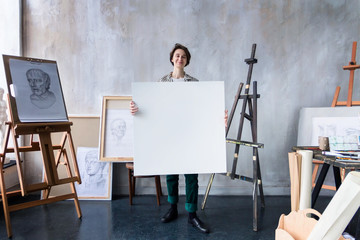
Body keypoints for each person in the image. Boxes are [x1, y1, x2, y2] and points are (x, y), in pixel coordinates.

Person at [130, 43, 228, 234]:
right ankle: (173, 208)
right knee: (171, 173)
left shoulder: (195, 83)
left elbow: (204, 109)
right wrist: (135, 109)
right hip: (169, 133)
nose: (180, 58)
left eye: (183, 56)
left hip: (190, 133)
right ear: (172, 58)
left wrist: (219, 119)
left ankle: (192, 214)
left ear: (187, 60)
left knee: (192, 174)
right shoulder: (161, 83)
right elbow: (152, 108)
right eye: (177, 55)